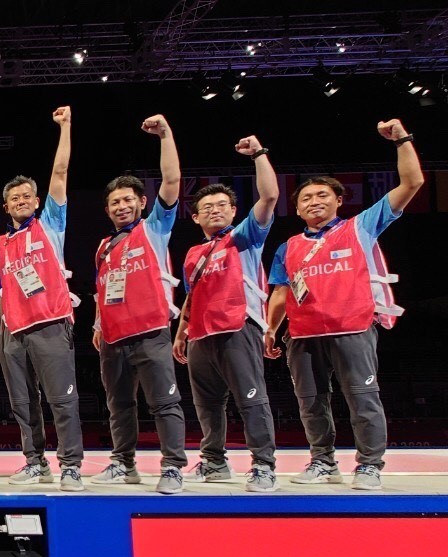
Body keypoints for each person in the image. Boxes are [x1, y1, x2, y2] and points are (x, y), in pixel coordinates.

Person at [265, 119, 423, 490]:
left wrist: (402, 139)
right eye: (306, 198)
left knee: (363, 399)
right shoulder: (288, 246)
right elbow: (280, 293)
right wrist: (271, 330)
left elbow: (412, 183)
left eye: (322, 196)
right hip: (302, 337)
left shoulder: (360, 226)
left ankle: (369, 465)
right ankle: (322, 462)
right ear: (298, 209)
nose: (314, 201)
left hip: (352, 328)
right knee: (310, 403)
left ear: (339, 200)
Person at [172, 134, 280, 493]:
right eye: (207, 207)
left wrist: (260, 155)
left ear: (233, 211)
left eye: (222, 205)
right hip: (201, 334)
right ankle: (214, 461)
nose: (215, 210)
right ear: (196, 215)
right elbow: (191, 296)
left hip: (239, 327)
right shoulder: (192, 253)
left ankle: (264, 466)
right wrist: (182, 331)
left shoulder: (244, 237)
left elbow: (269, 197)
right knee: (207, 405)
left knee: (251, 399)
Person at [90, 114, 187, 495]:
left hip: (150, 332)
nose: (120, 206)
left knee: (164, 402)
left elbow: (173, 181)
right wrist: (98, 325)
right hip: (113, 338)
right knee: (119, 406)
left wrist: (166, 134)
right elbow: (102, 291)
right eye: (114, 202)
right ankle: (123, 463)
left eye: (128, 199)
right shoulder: (103, 246)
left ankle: (174, 467)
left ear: (142, 202)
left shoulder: (155, 229)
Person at [0, 105, 85, 492]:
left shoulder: (50, 224)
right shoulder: (0, 243)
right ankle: (35, 461)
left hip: (49, 323)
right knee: (22, 401)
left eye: (28, 195)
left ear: (37, 200)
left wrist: (65, 128)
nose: (22, 200)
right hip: (12, 330)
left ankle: (70, 466)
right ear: (6, 206)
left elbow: (60, 172)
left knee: (61, 400)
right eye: (15, 197)